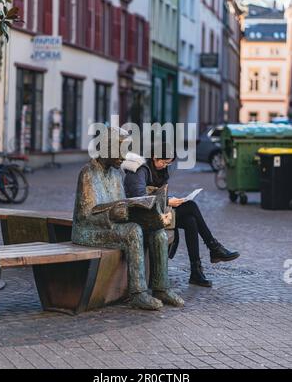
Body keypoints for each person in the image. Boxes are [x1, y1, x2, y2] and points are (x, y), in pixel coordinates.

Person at [72, 128, 184, 310]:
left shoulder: (116, 174)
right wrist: (113, 214)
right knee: (133, 231)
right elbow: (85, 216)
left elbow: (124, 203)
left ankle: (160, 287)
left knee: (159, 234)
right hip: (89, 230)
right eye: (121, 151)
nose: (124, 158)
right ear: (108, 148)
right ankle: (138, 293)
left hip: (113, 224)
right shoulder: (88, 173)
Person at [123, 145, 240, 287]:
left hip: (158, 212)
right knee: (191, 207)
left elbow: (160, 194)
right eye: (164, 162)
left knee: (191, 221)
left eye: (169, 163)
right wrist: (167, 201)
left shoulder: (160, 170)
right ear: (154, 157)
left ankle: (196, 272)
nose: (165, 166)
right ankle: (213, 247)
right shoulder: (140, 169)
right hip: (141, 215)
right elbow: (139, 197)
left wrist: (172, 199)